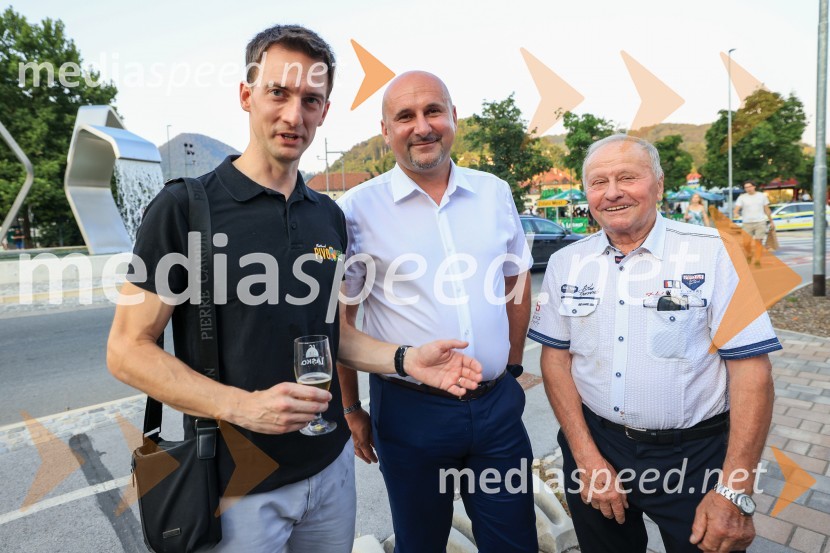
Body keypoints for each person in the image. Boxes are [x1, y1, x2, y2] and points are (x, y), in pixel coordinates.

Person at [106, 27, 483, 553]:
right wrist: (241, 406)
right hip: (235, 485)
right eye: (277, 93)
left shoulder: (327, 215)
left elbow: (331, 334)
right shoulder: (185, 209)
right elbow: (126, 350)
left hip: (330, 475)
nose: (293, 115)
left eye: (310, 100)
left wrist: (405, 359)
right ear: (246, 96)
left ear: (325, 111)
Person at [528, 134, 779, 553]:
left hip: (695, 458)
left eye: (627, 177)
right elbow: (555, 361)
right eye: (598, 181)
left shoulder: (714, 254)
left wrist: (735, 490)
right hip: (597, 448)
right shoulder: (565, 262)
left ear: (659, 185)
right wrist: (586, 457)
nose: (612, 193)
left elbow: (752, 372)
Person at [336, 71, 538, 552]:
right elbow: (341, 321)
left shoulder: (494, 192)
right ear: (385, 131)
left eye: (433, 111)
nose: (422, 126)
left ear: (453, 118)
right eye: (405, 116)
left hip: (496, 410)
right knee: (421, 542)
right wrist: (351, 407)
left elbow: (516, 280)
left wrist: (510, 368)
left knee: (515, 543)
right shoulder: (354, 211)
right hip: (410, 415)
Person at [733, 181, 773, 267]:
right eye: (746, 187)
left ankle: (757, 260)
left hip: (760, 222)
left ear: (754, 187)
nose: (748, 189)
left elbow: (767, 209)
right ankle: (749, 255)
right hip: (747, 223)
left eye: (749, 186)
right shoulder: (742, 197)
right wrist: (736, 213)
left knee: (758, 241)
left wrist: (771, 221)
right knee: (746, 243)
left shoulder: (762, 196)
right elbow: (736, 208)